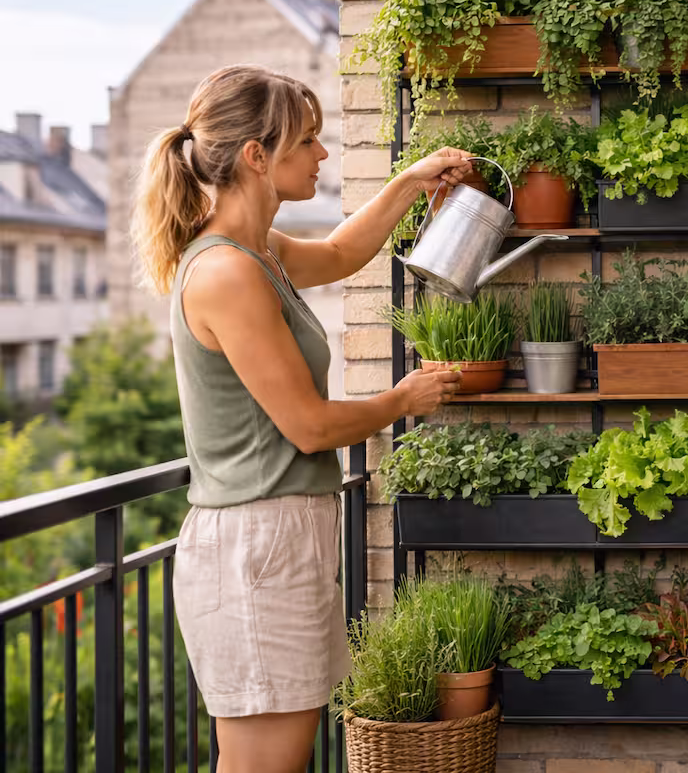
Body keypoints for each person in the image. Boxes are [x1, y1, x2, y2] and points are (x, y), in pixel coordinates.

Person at [131, 64, 468, 773]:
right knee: (263, 764)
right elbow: (309, 428)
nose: (322, 155)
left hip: (280, 535)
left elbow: (344, 252)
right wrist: (400, 401)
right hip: (254, 544)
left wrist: (412, 180)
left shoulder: (261, 252)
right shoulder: (225, 272)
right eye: (308, 141)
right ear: (257, 155)